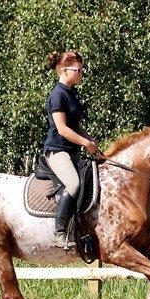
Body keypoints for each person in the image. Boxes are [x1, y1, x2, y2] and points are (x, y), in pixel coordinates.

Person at [43, 50, 101, 248]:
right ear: (64, 70)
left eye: (81, 70)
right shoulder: (58, 95)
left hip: (72, 151)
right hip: (57, 150)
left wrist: (89, 138)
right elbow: (62, 129)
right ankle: (59, 232)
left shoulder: (71, 94)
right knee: (74, 184)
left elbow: (75, 127)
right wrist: (85, 143)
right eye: (78, 70)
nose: (81, 73)